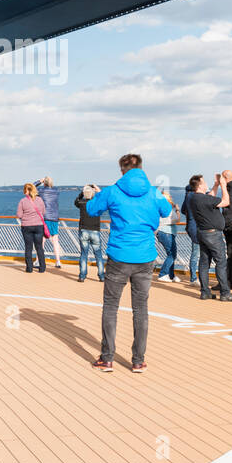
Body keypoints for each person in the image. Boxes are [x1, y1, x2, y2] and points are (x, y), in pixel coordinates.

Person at [86, 154, 168, 372]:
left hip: (119, 256)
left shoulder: (112, 191)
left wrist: (96, 195)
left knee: (111, 307)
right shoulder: (153, 192)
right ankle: (138, 361)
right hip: (145, 257)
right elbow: (167, 212)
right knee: (141, 309)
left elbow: (91, 210)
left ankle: (107, 358)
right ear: (141, 168)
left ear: (122, 170)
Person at [185, 173, 232, 301]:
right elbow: (226, 202)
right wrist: (223, 186)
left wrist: (215, 185)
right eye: (205, 182)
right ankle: (225, 293)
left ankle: (205, 292)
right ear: (200, 185)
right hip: (213, 234)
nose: (206, 184)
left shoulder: (193, 198)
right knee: (221, 262)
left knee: (204, 263)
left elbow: (210, 197)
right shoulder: (203, 199)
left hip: (202, 233)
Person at [74, 184, 105, 283]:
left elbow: (76, 201)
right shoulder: (97, 204)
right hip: (95, 231)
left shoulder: (82, 203)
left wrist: (82, 192)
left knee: (83, 254)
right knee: (98, 255)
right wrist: (98, 190)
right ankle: (101, 276)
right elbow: (103, 198)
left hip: (84, 231)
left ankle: (82, 276)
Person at [16, 183, 47, 273]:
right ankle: (42, 268)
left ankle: (29, 268)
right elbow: (43, 212)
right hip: (38, 226)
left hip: (27, 226)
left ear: (26, 191)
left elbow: (19, 215)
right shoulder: (40, 200)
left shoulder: (22, 201)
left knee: (28, 247)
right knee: (39, 247)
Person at [156, 188, 182, 283]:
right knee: (172, 254)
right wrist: (178, 210)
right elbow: (176, 220)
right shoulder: (167, 209)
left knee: (171, 254)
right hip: (166, 232)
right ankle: (163, 274)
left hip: (164, 232)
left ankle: (171, 275)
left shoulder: (159, 208)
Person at [37, 176, 62, 268]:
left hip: (45, 218)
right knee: (55, 241)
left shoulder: (41, 191)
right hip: (55, 218)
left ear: (44, 183)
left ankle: (38, 260)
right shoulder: (56, 191)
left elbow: (30, 187)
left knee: (42, 241)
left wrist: (39, 181)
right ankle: (58, 261)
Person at [180, 179, 200, 285]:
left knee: (195, 254)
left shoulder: (187, 197)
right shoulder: (195, 196)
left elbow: (183, 210)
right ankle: (196, 278)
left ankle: (193, 277)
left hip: (191, 227)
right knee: (199, 254)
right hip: (198, 228)